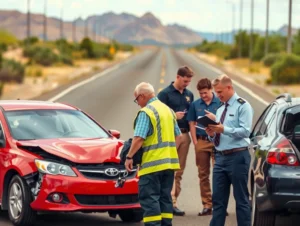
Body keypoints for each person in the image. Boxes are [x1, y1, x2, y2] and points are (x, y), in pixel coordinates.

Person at [125, 82, 181, 226]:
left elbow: (139, 139)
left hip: (152, 166)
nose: (137, 103)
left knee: (150, 200)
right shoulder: (168, 110)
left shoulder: (147, 112)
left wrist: (129, 157)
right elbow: (178, 137)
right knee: (165, 198)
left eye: (136, 99)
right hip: (169, 165)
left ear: (142, 96)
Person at [205, 74, 253, 226]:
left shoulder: (243, 105)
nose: (217, 95)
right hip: (220, 158)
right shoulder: (220, 109)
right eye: (216, 92)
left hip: (238, 157)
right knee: (218, 201)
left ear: (229, 87)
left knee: (241, 199)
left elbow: (246, 132)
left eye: (220, 92)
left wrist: (223, 129)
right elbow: (220, 134)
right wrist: (212, 134)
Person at [157, 66, 194, 216]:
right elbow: (157, 114)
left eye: (189, 81)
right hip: (169, 135)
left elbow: (192, 115)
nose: (187, 84)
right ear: (178, 77)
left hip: (184, 135)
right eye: (185, 81)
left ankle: (173, 202)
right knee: (167, 169)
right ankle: (163, 202)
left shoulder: (189, 95)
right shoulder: (164, 94)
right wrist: (173, 115)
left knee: (179, 170)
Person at [186, 78, 220, 216]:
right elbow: (191, 123)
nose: (203, 95)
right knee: (203, 175)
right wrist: (195, 142)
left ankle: (219, 204)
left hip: (217, 142)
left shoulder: (220, 102)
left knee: (219, 174)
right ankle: (207, 205)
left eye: (205, 93)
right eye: (201, 93)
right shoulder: (195, 104)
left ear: (211, 89)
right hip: (201, 141)